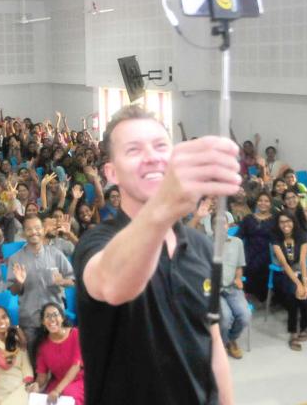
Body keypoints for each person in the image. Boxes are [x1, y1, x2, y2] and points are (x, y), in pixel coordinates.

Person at [72, 106, 238, 404]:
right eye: (133, 150)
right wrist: (164, 205)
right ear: (111, 172)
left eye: (161, 146)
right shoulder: (96, 243)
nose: (151, 157)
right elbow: (113, 283)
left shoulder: (200, 246)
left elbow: (212, 342)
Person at [7, 215, 75, 357]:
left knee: (61, 356)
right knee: (34, 357)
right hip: (30, 319)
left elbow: (73, 280)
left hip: (55, 317)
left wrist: (64, 282)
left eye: (37, 228)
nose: (34, 232)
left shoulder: (56, 254)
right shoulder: (15, 259)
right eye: (29, 229)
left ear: (43, 230)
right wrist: (20, 282)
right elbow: (13, 291)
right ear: (23, 233)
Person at [271, 211, 307, 350]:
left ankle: (304, 327)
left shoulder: (302, 236)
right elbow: (284, 264)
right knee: (293, 294)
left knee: (305, 296)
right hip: (285, 273)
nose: (285, 224)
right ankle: (293, 331)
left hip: (302, 271)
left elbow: (303, 261)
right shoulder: (275, 238)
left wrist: (304, 283)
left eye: (288, 221)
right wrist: (298, 284)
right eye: (282, 222)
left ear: (293, 222)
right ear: (278, 224)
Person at [33, 302, 85, 405]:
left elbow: (76, 367)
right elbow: (42, 376)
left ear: (62, 318)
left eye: (55, 315)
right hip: (57, 383)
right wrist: (36, 384)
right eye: (47, 316)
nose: (52, 319)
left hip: (79, 380)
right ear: (43, 322)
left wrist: (57, 390)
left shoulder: (76, 334)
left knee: (69, 395)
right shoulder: (43, 345)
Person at [217, 213, 250, 359]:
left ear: (228, 225)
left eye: (223, 223)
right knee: (225, 318)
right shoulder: (205, 242)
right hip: (214, 290)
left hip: (232, 287)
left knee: (244, 316)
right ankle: (222, 343)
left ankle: (231, 339)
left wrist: (238, 278)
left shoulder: (237, 242)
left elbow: (239, 266)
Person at [238, 192, 275, 302]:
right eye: (260, 200)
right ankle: (249, 293)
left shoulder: (275, 219)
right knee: (249, 263)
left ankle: (264, 294)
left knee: (263, 265)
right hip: (249, 252)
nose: (263, 203)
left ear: (271, 204)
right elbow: (239, 236)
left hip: (267, 253)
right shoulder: (248, 218)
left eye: (266, 201)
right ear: (257, 203)